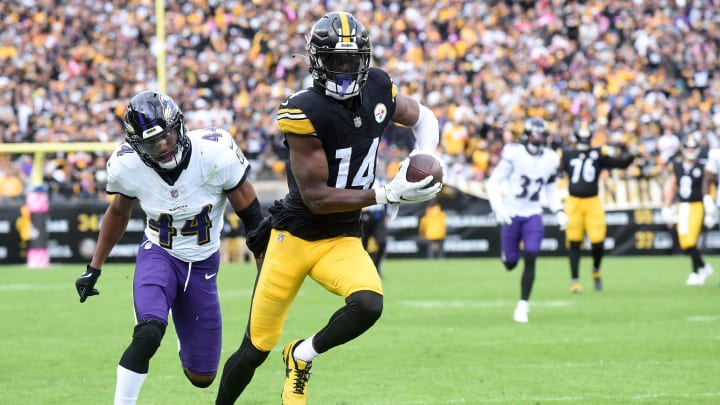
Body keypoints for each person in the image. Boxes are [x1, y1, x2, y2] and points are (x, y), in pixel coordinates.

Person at [214, 11, 443, 405]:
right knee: (255, 348)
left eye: (352, 60)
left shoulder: (378, 87)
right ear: (318, 61)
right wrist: (389, 193)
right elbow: (317, 198)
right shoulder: (303, 109)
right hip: (294, 236)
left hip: (341, 237)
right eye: (336, 60)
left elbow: (425, 117)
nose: (345, 68)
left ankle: (302, 355)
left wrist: (422, 160)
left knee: (369, 304)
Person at [74, 90, 264, 405]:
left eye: (166, 137)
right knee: (148, 333)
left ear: (179, 126)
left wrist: (266, 275)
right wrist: (94, 266)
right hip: (160, 254)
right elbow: (118, 212)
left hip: (203, 264)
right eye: (151, 143)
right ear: (137, 146)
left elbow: (254, 220)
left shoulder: (215, 154)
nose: (162, 147)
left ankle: (181, 325)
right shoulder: (127, 166)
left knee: (201, 377)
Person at [486, 117, 567, 323]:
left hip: (533, 213)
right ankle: (508, 256)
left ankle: (523, 305)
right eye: (535, 133)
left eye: (541, 134)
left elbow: (550, 188)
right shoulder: (514, 153)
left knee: (531, 254)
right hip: (512, 213)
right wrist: (499, 208)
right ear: (527, 134)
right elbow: (494, 182)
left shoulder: (551, 158)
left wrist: (558, 210)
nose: (538, 138)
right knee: (511, 263)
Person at [558, 123, 636, 293]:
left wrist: (631, 155)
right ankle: (575, 280)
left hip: (592, 201)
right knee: (574, 242)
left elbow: (620, 164)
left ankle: (596, 270)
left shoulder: (598, 153)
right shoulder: (567, 154)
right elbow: (553, 170)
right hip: (574, 202)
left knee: (598, 241)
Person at [663, 135, 713, 285]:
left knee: (691, 240)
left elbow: (709, 184)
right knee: (684, 243)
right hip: (682, 206)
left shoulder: (702, 166)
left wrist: (710, 207)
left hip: (697, 205)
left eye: (693, 148)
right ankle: (701, 268)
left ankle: (696, 271)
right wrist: (667, 206)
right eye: (689, 148)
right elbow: (672, 186)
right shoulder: (677, 166)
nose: (691, 150)